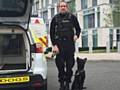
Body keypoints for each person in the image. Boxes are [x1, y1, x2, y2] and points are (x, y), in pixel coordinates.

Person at [50, 1, 81, 90]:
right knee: (60, 66)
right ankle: (61, 83)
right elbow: (51, 33)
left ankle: (67, 83)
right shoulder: (55, 19)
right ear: (58, 8)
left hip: (69, 45)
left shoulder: (72, 17)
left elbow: (78, 29)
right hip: (59, 46)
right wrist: (54, 45)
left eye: (64, 6)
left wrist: (77, 35)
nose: (63, 7)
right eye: (61, 6)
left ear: (66, 7)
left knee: (69, 65)